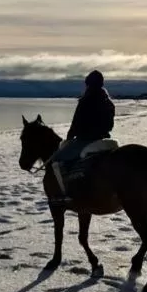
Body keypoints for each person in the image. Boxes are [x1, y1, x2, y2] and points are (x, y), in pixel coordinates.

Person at [49, 70, 115, 201]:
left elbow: (76, 122)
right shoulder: (108, 102)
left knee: (58, 158)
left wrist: (69, 138)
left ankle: (65, 192)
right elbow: (110, 125)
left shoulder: (86, 100)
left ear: (88, 85)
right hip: (103, 139)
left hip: (86, 139)